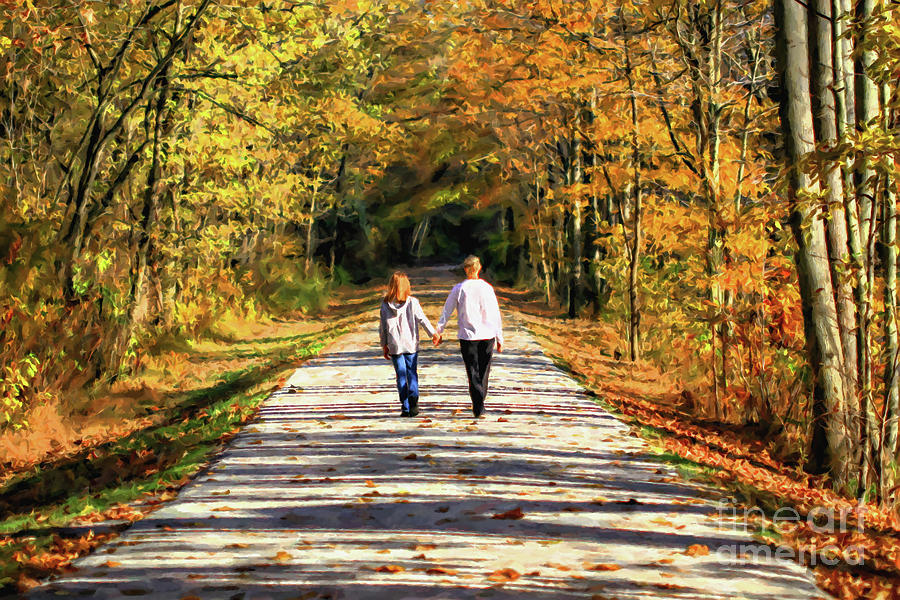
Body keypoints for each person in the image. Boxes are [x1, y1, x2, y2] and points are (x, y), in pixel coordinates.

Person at [434, 256, 503, 417]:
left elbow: (447, 310)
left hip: (467, 336)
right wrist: (500, 337)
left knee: (472, 371)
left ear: (466, 269)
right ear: (479, 268)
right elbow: (495, 314)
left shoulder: (459, 289)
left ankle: (478, 403)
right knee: (484, 371)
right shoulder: (487, 288)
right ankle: (479, 402)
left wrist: (439, 330)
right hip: (487, 335)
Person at [379, 271, 437, 417]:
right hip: (410, 344)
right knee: (411, 372)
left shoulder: (385, 305)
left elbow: (383, 328)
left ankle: (405, 407)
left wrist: (384, 345)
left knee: (401, 375)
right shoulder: (413, 302)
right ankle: (414, 400)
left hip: (395, 345)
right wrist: (433, 334)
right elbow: (423, 319)